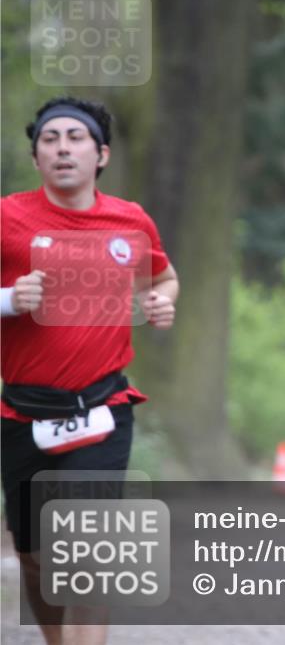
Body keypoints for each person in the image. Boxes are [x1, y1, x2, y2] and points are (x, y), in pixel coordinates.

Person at [0, 96, 179, 645]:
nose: (62, 148)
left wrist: (162, 302)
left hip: (103, 408)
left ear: (101, 155)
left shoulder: (130, 220)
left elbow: (163, 277)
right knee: (35, 557)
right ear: (36, 157)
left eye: (75, 138)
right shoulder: (7, 218)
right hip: (23, 413)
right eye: (49, 139)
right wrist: (9, 300)